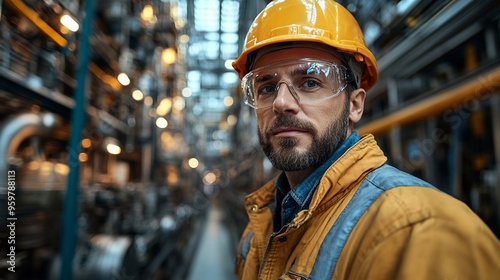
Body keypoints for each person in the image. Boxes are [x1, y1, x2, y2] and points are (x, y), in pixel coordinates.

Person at [231, 0, 500, 279]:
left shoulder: (422, 232)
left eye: (310, 82)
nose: (281, 102)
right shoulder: (259, 227)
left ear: (355, 105)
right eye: (266, 87)